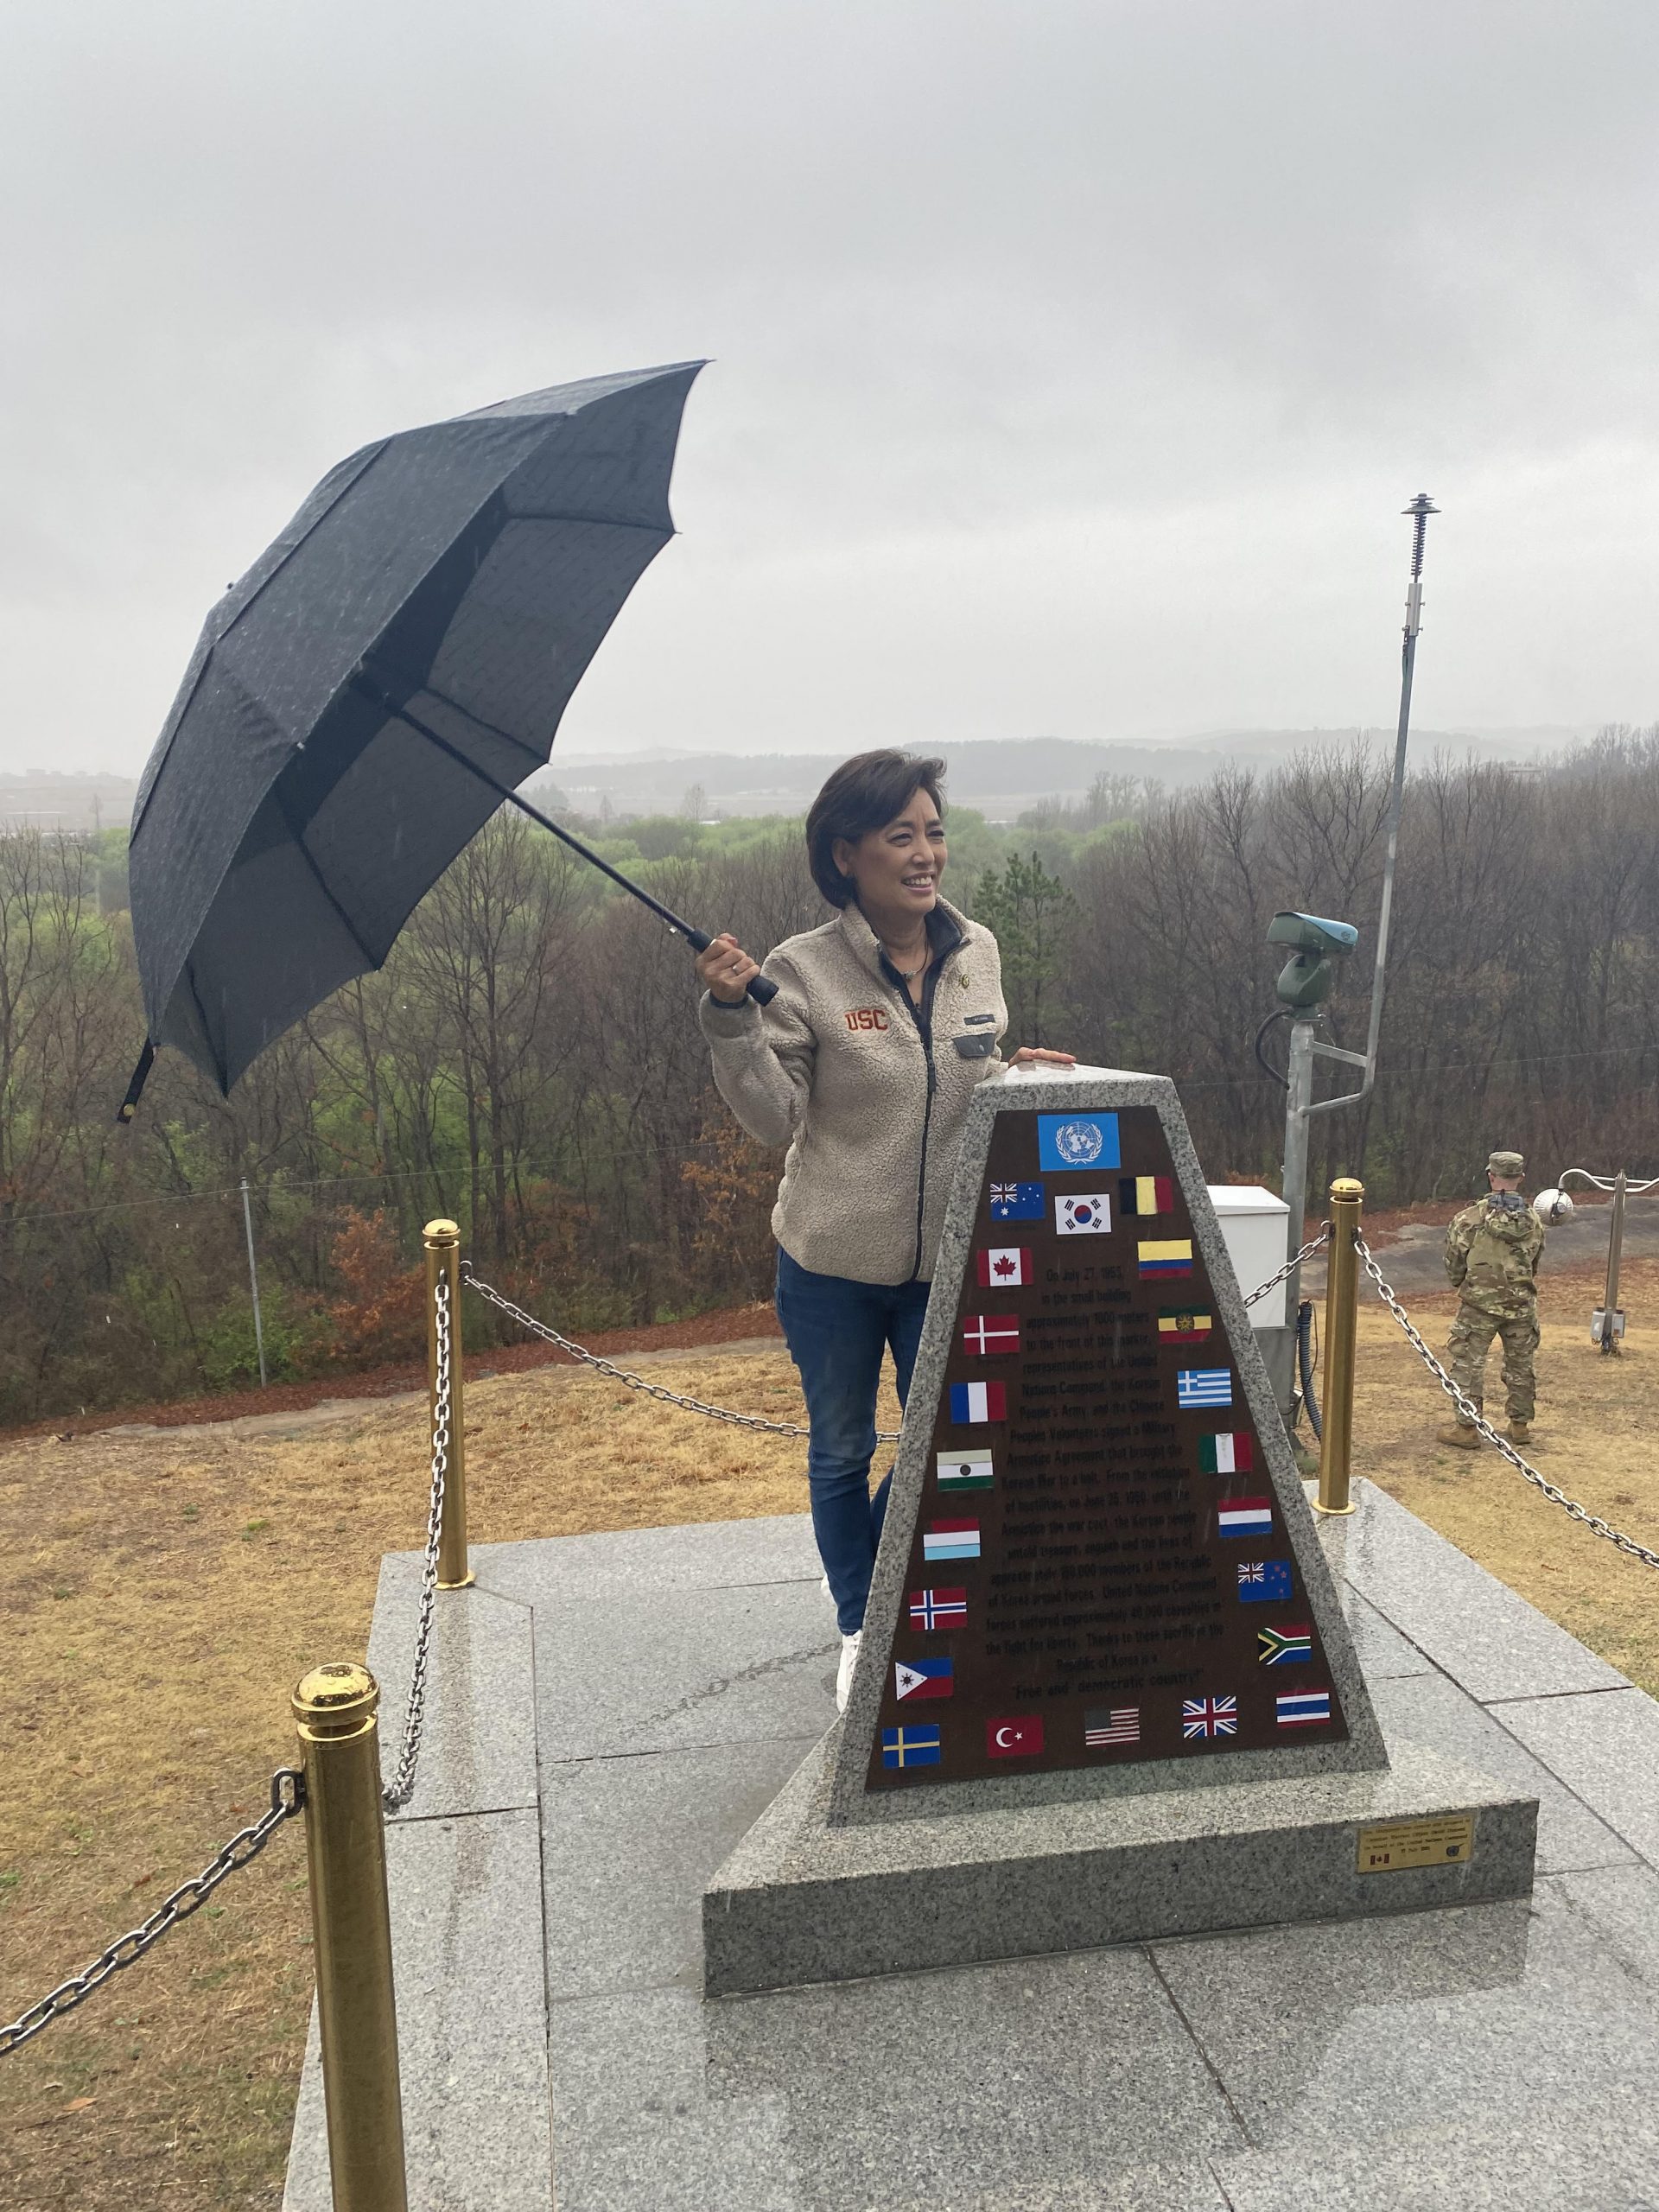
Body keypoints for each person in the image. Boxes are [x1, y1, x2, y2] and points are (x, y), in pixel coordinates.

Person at [694, 749, 1074, 1710]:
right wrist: (732, 1020)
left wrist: (1017, 1073)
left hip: (948, 1260)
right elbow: (777, 1118)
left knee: (945, 1439)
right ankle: (864, 1622)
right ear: (846, 853)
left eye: (934, 830)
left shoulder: (977, 949)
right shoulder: (798, 969)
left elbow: (970, 1080)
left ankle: (866, 1567)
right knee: (839, 1446)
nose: (925, 853)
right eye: (900, 834)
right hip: (829, 1263)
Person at [1439, 1149, 1546, 1449]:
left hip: (1479, 1306)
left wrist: (1463, 1282)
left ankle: (1467, 1428)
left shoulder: (1470, 1218)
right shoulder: (1534, 1220)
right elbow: (1535, 1260)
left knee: (1468, 1364)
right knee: (1521, 1365)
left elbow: (1454, 1258)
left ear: (1490, 1176)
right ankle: (1520, 1425)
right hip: (1521, 1304)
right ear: (1521, 1178)